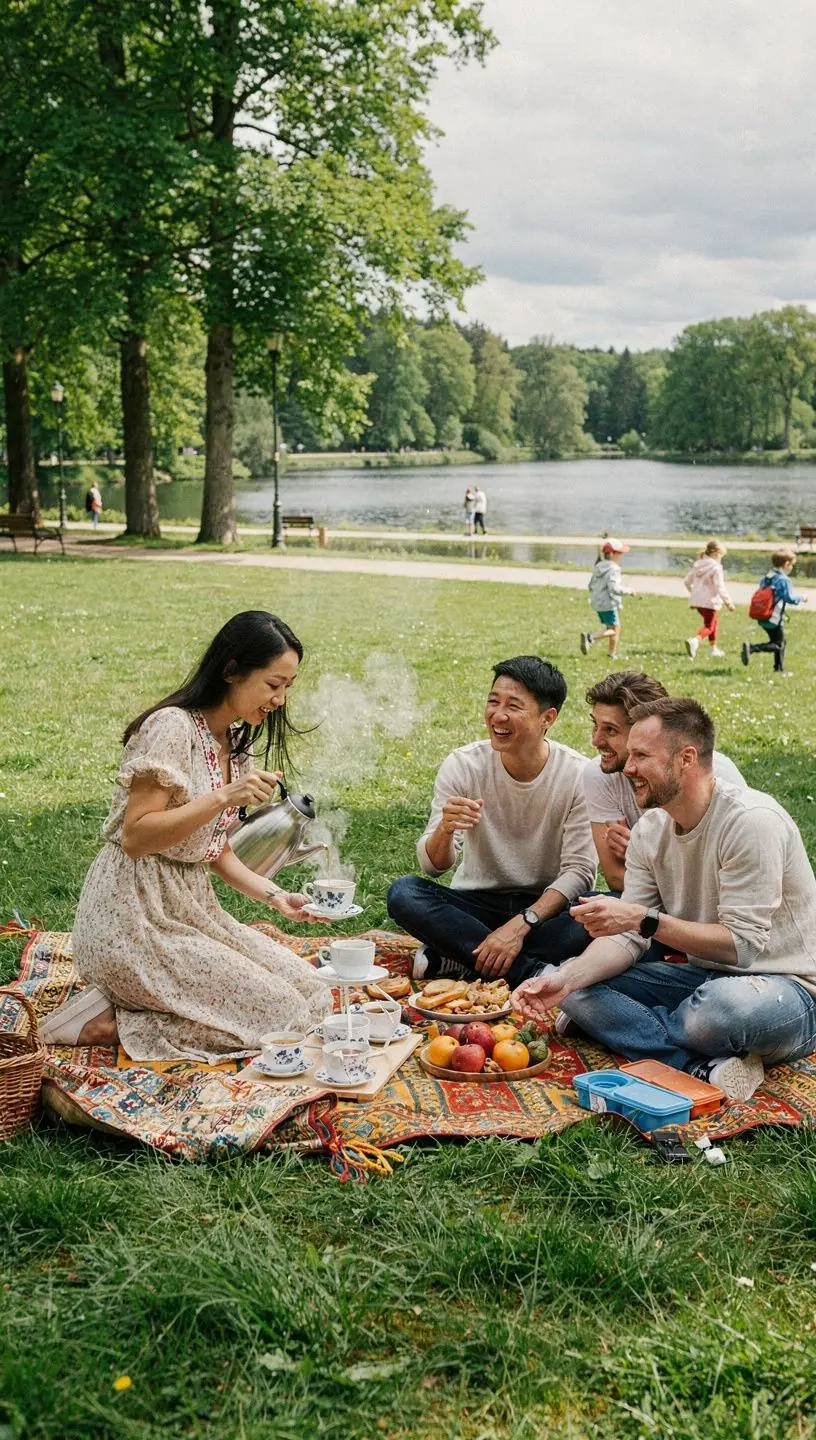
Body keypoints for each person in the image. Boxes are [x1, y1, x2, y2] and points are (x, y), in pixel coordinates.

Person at [40, 612, 331, 1060]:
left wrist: (276, 897)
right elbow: (137, 837)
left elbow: (215, 850)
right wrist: (222, 797)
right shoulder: (171, 728)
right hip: (131, 919)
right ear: (232, 670)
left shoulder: (238, 740)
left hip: (191, 911)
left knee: (313, 995)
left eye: (288, 686)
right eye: (274, 684)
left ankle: (126, 1009)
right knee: (282, 1016)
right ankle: (113, 1022)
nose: (281, 699)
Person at [514, 698, 816, 1100]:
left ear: (686, 758)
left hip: (786, 989)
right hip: (702, 980)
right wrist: (565, 981)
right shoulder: (651, 830)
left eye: (641, 755)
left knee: (717, 1011)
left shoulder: (751, 822)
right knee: (573, 984)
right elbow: (628, 939)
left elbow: (741, 946)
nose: (628, 767)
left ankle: (632, 1029)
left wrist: (644, 919)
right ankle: (697, 1067)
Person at [387, 656, 597, 988]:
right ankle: (531, 971)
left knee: (607, 908)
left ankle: (459, 957)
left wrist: (522, 924)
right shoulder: (464, 765)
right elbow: (433, 867)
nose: (497, 716)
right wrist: (445, 829)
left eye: (514, 706)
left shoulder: (579, 775)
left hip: (545, 909)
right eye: (492, 701)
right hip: (475, 904)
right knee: (404, 893)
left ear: (548, 718)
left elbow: (580, 872)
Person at [583, 671, 744, 895]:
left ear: (645, 731)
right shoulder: (598, 775)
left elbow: (730, 883)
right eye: (595, 725)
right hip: (644, 901)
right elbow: (616, 878)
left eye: (611, 730)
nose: (596, 740)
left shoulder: (713, 774)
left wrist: (646, 857)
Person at [742, 547, 809, 674]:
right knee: (779, 644)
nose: (792, 568)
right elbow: (789, 598)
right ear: (786, 564)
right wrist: (802, 598)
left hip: (762, 615)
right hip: (774, 617)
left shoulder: (768, 576)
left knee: (779, 642)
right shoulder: (784, 580)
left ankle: (778, 669)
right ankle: (751, 648)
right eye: (792, 565)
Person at [581, 539, 633, 660]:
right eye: (619, 553)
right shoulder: (614, 569)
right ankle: (591, 638)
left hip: (598, 603)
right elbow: (614, 588)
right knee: (615, 629)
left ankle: (611, 654)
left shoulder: (598, 566)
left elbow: (590, 585)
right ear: (611, 554)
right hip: (608, 604)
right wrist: (629, 591)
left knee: (611, 628)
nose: (621, 555)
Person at [683, 539, 735, 658]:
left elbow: (686, 582)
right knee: (709, 626)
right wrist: (728, 603)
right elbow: (720, 586)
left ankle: (713, 648)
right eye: (721, 556)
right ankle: (695, 641)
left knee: (713, 623)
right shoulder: (716, 568)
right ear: (716, 553)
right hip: (710, 602)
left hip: (697, 602)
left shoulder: (698, 564)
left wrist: (694, 595)